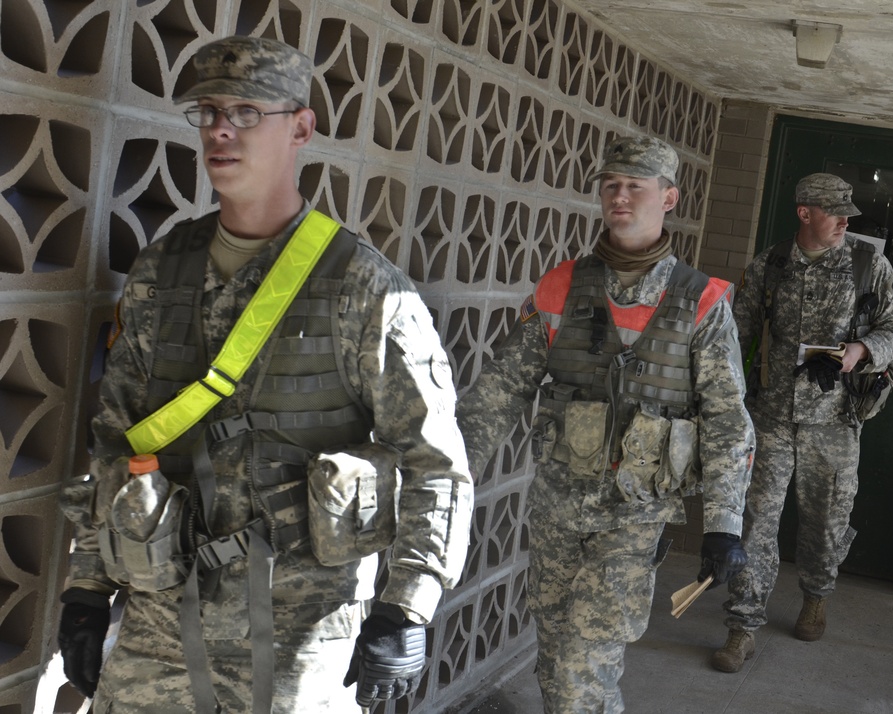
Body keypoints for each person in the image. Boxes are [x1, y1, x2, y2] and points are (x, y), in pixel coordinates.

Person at [56, 35, 473, 713]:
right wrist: (86, 585)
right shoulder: (163, 272)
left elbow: (433, 459)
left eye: (248, 111)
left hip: (301, 639)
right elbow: (117, 439)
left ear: (301, 128)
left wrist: (409, 608)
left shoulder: (362, 286)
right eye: (210, 111)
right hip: (162, 623)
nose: (221, 128)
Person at [457, 135, 755, 712]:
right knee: (557, 658)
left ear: (668, 198)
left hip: (637, 515)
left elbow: (727, 418)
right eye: (611, 185)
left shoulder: (703, 301)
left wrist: (725, 523)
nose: (619, 196)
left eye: (635, 186)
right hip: (557, 507)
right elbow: (497, 396)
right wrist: (445, 482)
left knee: (581, 665)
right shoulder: (560, 287)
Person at [712, 173, 893, 673]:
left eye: (848, 212)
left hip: (836, 421)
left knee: (826, 522)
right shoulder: (772, 264)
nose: (845, 220)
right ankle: (742, 627)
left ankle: (817, 595)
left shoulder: (868, 264)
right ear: (804, 213)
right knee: (756, 523)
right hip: (773, 416)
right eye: (834, 210)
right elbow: (738, 332)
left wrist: (859, 351)